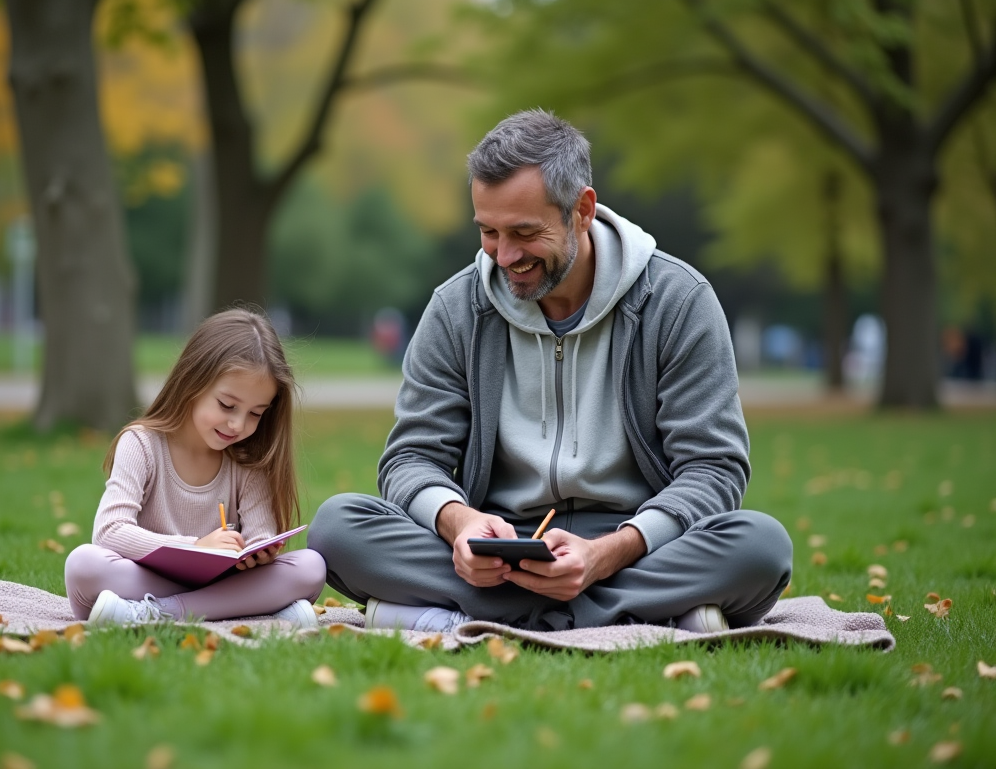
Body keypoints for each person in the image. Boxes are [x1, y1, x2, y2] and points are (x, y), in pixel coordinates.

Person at [309, 110, 792, 633]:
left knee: (761, 546)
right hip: (496, 550)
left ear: (581, 210)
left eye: (524, 232)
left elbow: (713, 469)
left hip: (634, 544)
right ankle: (648, 612)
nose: (504, 255)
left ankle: (461, 614)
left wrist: (606, 554)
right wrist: (459, 524)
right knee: (337, 527)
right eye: (488, 232)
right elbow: (411, 458)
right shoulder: (455, 308)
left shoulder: (679, 301)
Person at [64, 308, 326, 628]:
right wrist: (197, 547)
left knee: (311, 567)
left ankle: (158, 613)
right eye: (227, 405)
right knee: (84, 564)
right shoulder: (141, 444)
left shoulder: (246, 461)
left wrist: (259, 551)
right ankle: (249, 607)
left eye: (255, 413)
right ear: (192, 382)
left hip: (219, 583)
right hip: (149, 579)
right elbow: (109, 531)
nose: (237, 424)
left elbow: (261, 535)